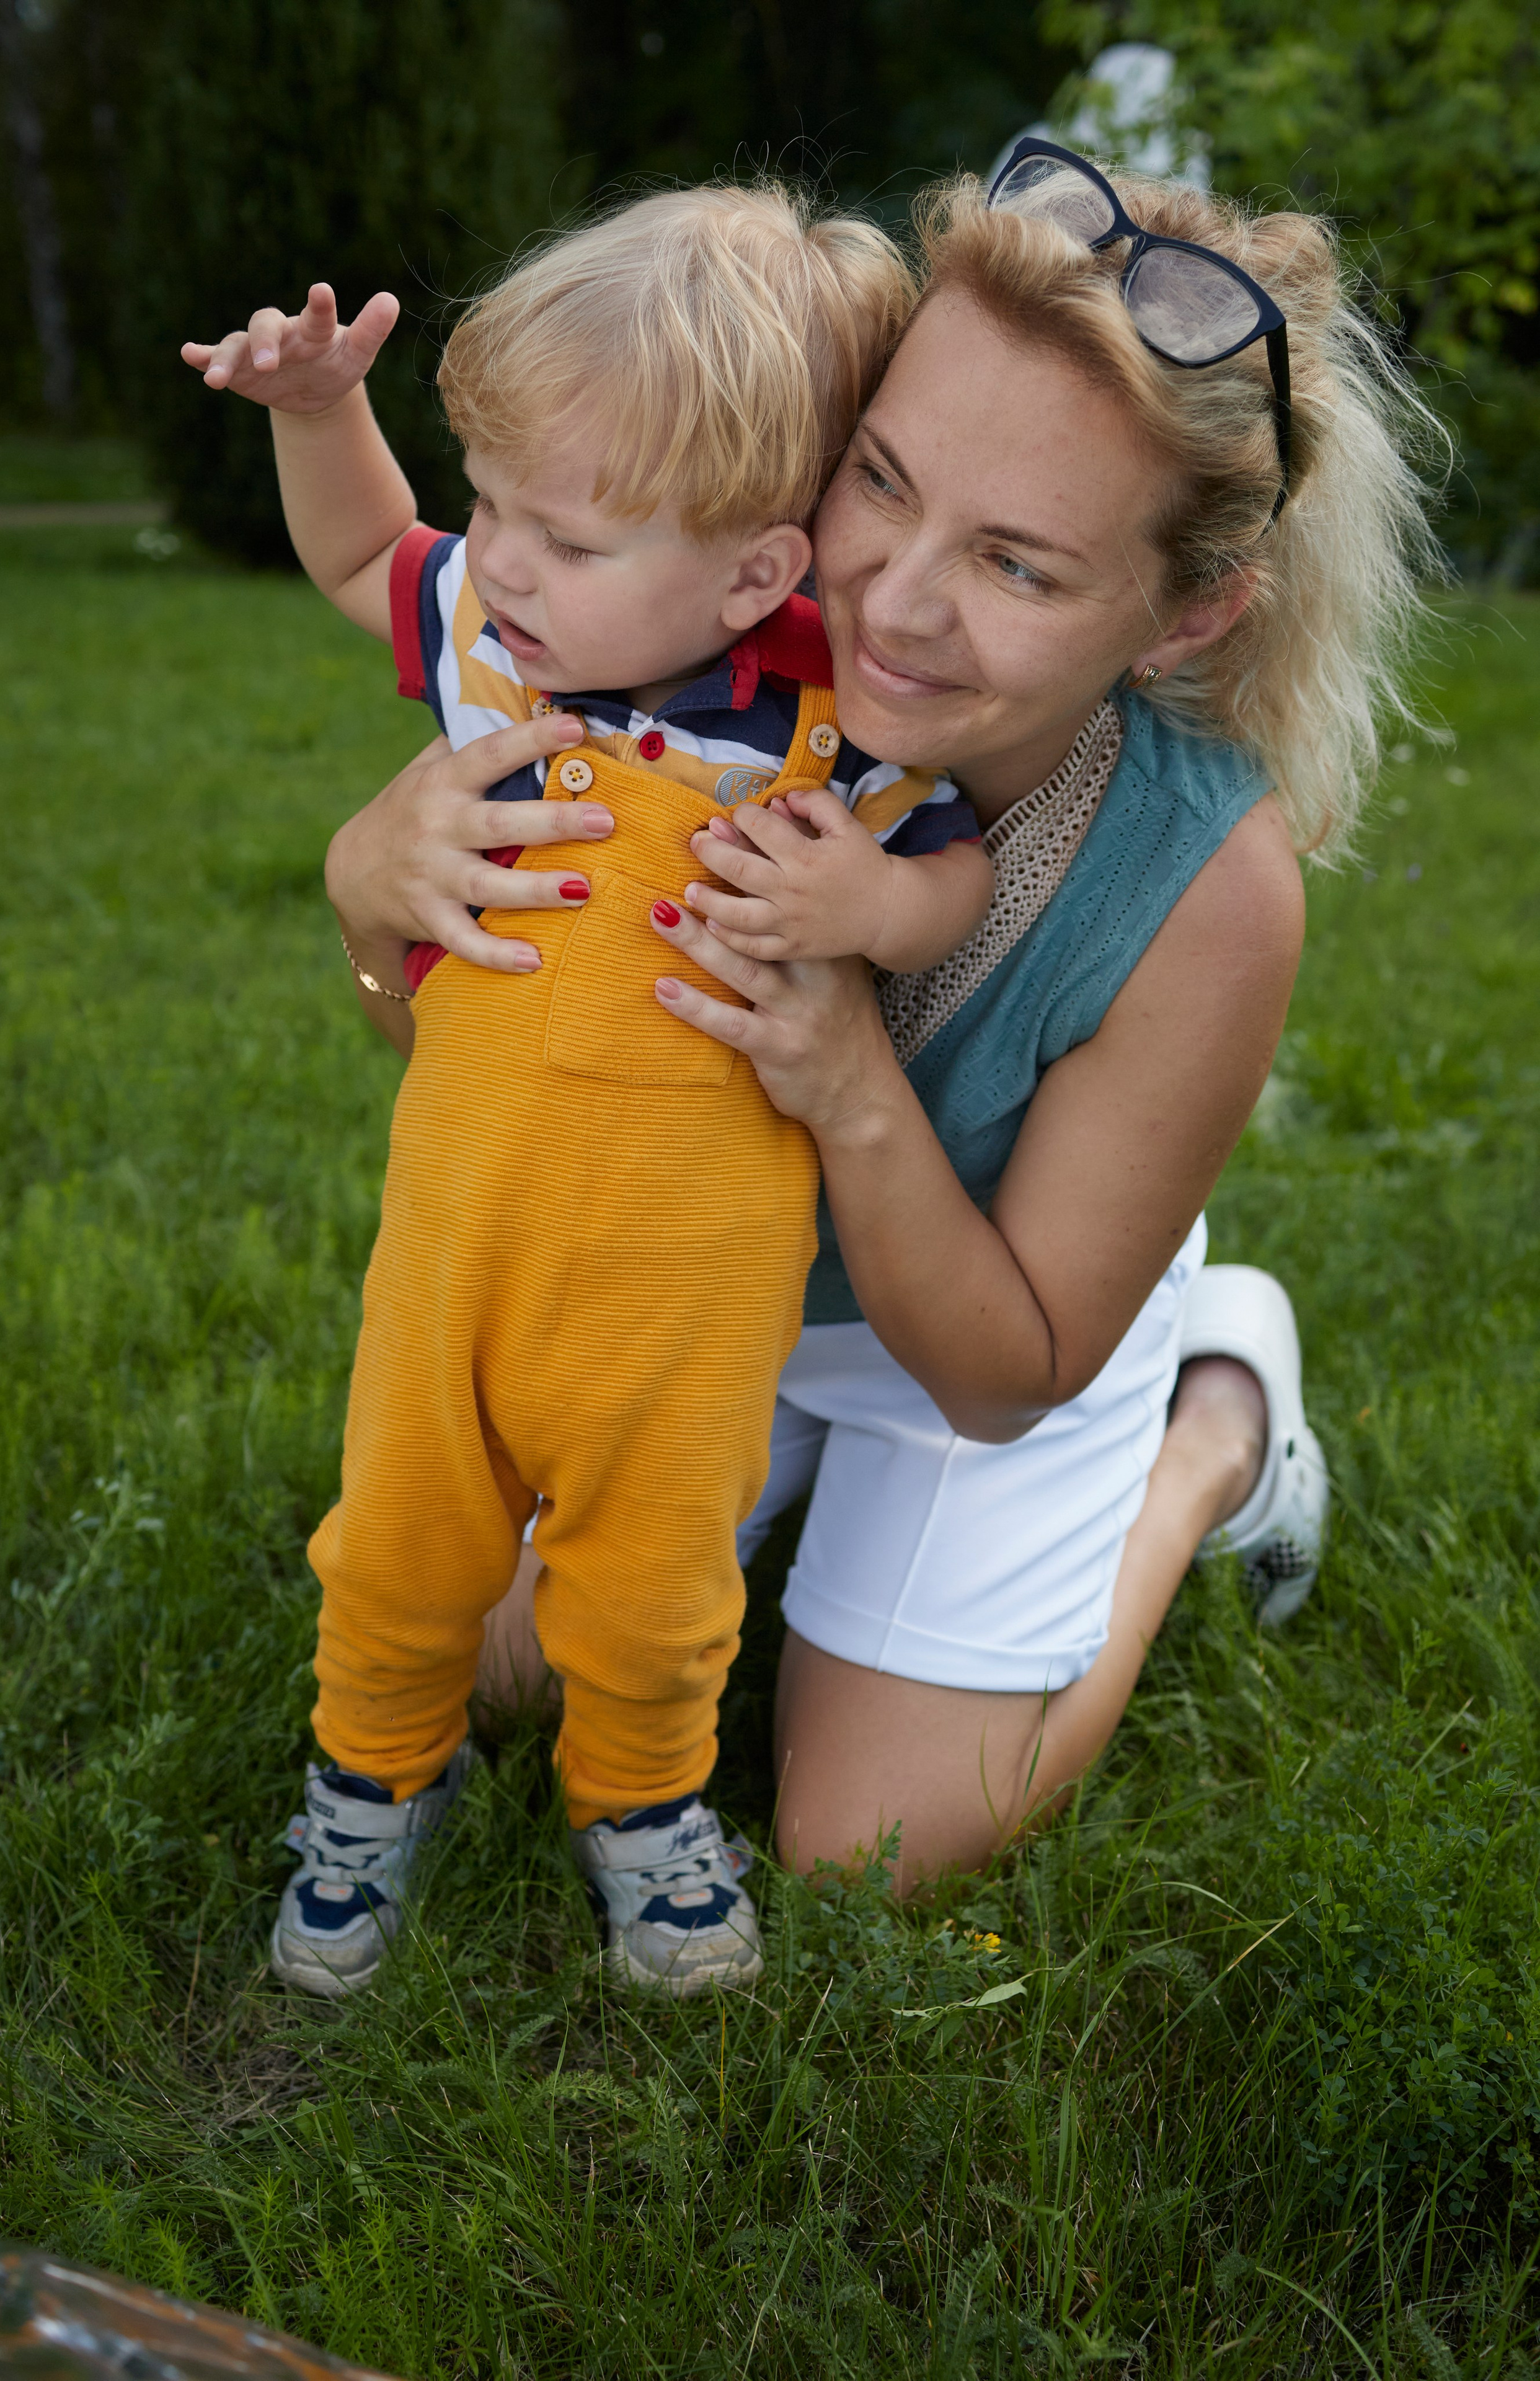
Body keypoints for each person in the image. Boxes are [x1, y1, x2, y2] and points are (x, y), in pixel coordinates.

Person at [325, 145, 1440, 1904]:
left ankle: (1217, 1421)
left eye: (1019, 563)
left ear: (1189, 611)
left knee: (867, 1851)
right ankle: (769, 1499)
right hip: (690, 1283)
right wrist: (378, 911)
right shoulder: (668, 643)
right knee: (482, 1660)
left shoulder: (1204, 881)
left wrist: (848, 1076)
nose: (896, 603)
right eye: (881, 483)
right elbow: (502, 1074)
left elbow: (1004, 1371)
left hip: (991, 1323)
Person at [182, 186, 993, 1998]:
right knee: (400, 1541)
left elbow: (948, 872)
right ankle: (366, 1787)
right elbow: (359, 558)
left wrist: (868, 907)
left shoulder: (818, 739)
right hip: (458, 1245)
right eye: (497, 503)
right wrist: (322, 418)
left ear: (755, 577)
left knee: (656, 1582)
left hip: (688, 1302)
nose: (508, 562)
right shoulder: (497, 646)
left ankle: (643, 1803)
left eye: (565, 530)